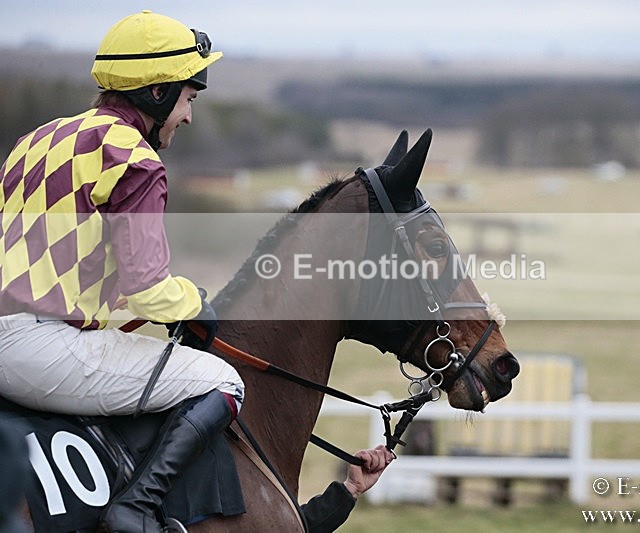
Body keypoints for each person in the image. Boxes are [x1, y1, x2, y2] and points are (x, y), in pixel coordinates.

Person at [0, 10, 394, 533]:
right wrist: (195, 300)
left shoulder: (40, 139)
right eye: (188, 98)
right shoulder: (135, 159)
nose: (188, 116)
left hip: (16, 337)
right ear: (157, 93)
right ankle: (136, 509)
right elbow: (147, 289)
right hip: (42, 351)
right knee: (223, 380)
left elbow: (63, 260)